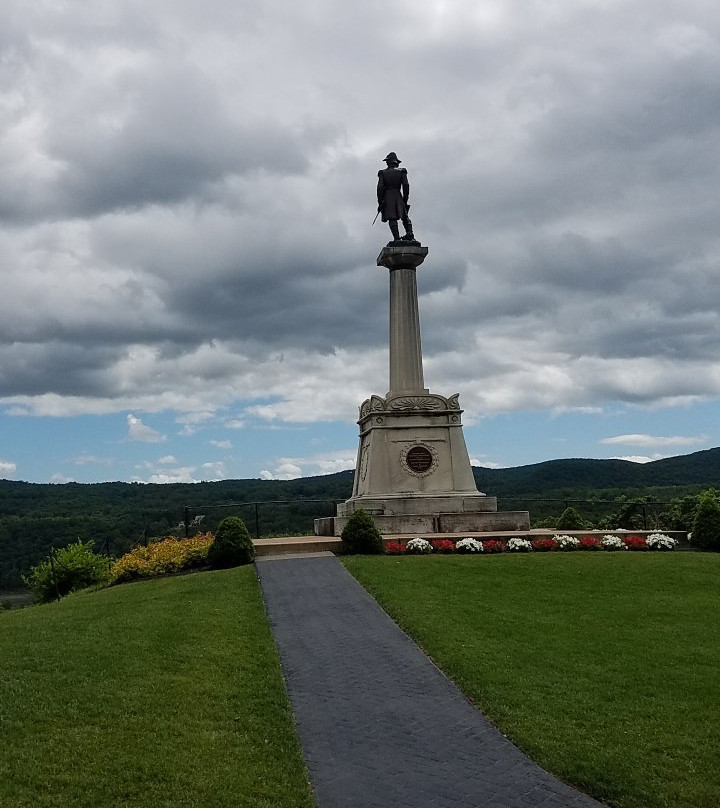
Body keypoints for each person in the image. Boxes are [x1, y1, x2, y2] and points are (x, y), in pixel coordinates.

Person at [377, 152, 415, 242]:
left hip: (388, 197)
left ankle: (397, 238)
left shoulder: (382, 173)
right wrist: (405, 198)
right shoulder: (402, 171)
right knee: (405, 217)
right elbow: (406, 185)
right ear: (396, 162)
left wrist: (380, 201)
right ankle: (410, 233)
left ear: (387, 162)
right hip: (398, 196)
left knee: (392, 218)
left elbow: (380, 188)